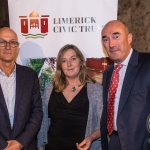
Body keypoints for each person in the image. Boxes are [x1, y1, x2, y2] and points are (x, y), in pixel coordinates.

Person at [37, 44, 103, 150]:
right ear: (60, 66)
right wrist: (40, 147)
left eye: (73, 59)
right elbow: (43, 122)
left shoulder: (96, 89)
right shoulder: (50, 89)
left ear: (81, 62)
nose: (69, 64)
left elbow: (102, 124)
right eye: (64, 61)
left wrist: (91, 137)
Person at [100, 20, 150, 150]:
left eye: (116, 36)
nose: (111, 44)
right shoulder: (108, 73)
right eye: (106, 39)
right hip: (114, 141)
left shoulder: (147, 64)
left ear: (129, 38)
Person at [0, 27, 43, 150]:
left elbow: (37, 112)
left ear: (17, 48)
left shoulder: (30, 76)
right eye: (2, 42)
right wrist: (4, 145)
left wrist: (20, 142)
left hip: (25, 146)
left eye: (12, 42)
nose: (8, 46)